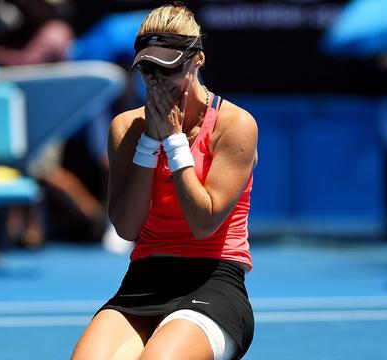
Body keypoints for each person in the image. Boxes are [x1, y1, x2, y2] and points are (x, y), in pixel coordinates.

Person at [71, 4, 258, 359]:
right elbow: (127, 227)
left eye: (168, 69)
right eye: (148, 69)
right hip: (144, 281)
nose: (157, 80)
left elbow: (204, 223)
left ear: (197, 60)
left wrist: (173, 142)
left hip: (214, 284)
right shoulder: (126, 128)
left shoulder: (235, 125)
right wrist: (149, 144)